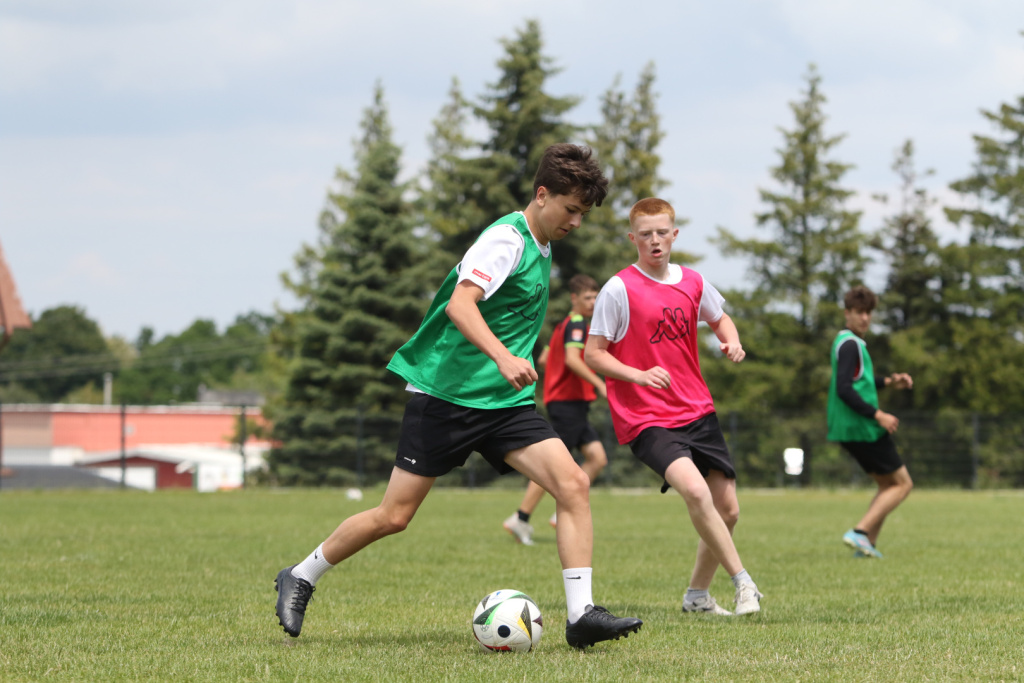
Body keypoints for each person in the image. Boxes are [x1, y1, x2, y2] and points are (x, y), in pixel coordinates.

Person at [274, 143, 643, 650]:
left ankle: (581, 616)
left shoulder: (542, 245)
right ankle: (300, 575)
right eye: (571, 209)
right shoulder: (505, 240)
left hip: (504, 405)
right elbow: (460, 306)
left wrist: (512, 362)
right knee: (394, 516)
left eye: (583, 213)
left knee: (574, 483)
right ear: (542, 195)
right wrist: (504, 357)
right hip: (447, 397)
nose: (576, 222)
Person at [583, 197, 762, 617]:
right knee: (696, 491)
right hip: (647, 418)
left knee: (728, 510)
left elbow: (720, 318)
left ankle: (697, 596)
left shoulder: (693, 282)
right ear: (633, 238)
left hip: (697, 410)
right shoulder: (618, 289)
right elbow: (593, 354)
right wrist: (638, 374)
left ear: (674, 234)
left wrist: (732, 341)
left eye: (662, 232)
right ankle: (744, 583)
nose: (655, 240)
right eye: (645, 234)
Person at [503, 274, 609, 545]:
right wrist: (599, 383)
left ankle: (558, 515)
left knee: (597, 458)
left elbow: (543, 358)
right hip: (567, 404)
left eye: (595, 297)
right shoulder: (577, 324)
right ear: (574, 299)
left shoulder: (563, 325)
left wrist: (557, 374)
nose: (593, 302)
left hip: (571, 404)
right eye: (587, 298)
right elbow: (572, 359)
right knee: (552, 466)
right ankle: (520, 518)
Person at [828, 285, 914, 559]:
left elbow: (859, 381)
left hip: (848, 428)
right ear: (847, 313)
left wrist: (889, 382)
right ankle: (860, 531)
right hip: (863, 427)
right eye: (859, 312)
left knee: (888, 485)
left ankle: (866, 546)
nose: (864, 318)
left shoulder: (844, 341)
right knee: (903, 484)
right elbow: (844, 388)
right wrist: (879, 415)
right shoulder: (851, 345)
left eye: (868, 312)